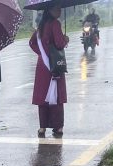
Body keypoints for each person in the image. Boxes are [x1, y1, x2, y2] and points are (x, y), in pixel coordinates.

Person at [30, 7, 69, 139]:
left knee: (43, 96)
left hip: (42, 66)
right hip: (54, 64)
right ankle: (58, 127)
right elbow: (59, 44)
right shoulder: (55, 24)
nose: (60, 11)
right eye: (57, 8)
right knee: (56, 96)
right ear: (50, 10)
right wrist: (65, 40)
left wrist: (42, 53)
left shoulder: (41, 25)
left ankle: (42, 127)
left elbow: (32, 43)